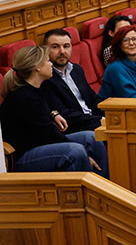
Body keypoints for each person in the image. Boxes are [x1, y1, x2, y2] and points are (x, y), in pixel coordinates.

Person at [0, 46, 108, 175]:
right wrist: (86, 155)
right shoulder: (24, 98)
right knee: (76, 151)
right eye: (47, 61)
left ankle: (105, 182)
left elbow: (46, 111)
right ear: (37, 67)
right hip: (24, 154)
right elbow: (48, 134)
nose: (51, 64)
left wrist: (53, 114)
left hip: (41, 144)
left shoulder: (36, 88)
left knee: (92, 137)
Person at [40, 28, 103, 133]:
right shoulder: (46, 78)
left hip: (95, 120)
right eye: (55, 47)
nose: (62, 51)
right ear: (45, 50)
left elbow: (93, 98)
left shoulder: (76, 69)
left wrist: (110, 114)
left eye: (66, 46)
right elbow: (66, 114)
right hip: (78, 128)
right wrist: (101, 120)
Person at [98, 26, 136, 100]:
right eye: (125, 40)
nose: (131, 43)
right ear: (120, 45)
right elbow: (131, 100)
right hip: (121, 106)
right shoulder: (115, 68)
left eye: (134, 39)